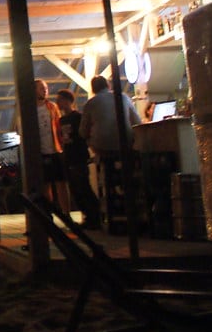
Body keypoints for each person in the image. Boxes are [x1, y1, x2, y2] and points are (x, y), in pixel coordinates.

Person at [56, 89, 101, 230]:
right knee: (76, 188)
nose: (57, 103)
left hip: (78, 156)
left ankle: (94, 216)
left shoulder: (77, 117)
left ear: (68, 101)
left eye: (60, 100)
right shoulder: (61, 120)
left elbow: (84, 134)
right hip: (69, 156)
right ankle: (89, 216)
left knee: (83, 187)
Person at [79, 75, 142, 159]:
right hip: (125, 142)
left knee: (91, 142)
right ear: (108, 85)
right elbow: (137, 121)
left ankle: (102, 166)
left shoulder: (90, 103)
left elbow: (83, 131)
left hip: (102, 146)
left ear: (93, 89)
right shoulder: (123, 97)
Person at [35, 79, 70, 212]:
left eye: (46, 88)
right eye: (41, 88)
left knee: (61, 182)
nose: (45, 90)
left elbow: (59, 126)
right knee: (45, 184)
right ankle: (47, 213)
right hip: (40, 151)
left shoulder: (52, 107)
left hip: (55, 149)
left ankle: (66, 213)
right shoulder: (29, 109)